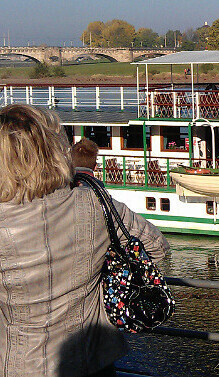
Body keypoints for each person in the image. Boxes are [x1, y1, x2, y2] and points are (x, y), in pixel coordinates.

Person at [0, 104, 169, 377]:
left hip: (22, 365)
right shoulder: (94, 203)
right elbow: (156, 247)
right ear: (55, 150)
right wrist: (99, 264)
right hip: (94, 361)